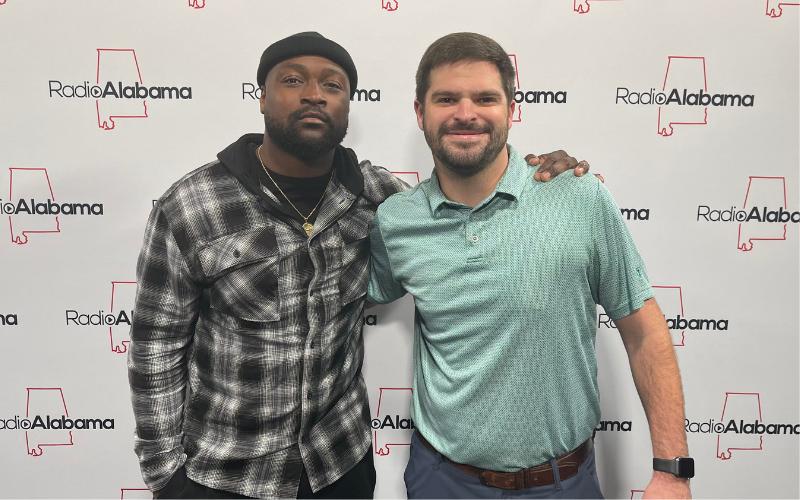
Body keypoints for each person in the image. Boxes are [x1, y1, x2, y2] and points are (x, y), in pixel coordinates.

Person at [127, 32, 588, 499]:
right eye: (293, 80)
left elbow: (465, 204)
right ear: (262, 97)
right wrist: (165, 476)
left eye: (333, 85)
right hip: (225, 474)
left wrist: (541, 180)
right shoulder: (192, 205)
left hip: (339, 465)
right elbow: (155, 343)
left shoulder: (380, 199)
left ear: (348, 106)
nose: (314, 94)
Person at [366, 32, 693, 499]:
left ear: (512, 110)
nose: (465, 113)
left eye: (485, 98)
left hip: (562, 484)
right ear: (420, 112)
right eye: (446, 99)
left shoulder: (578, 195)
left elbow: (643, 331)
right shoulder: (397, 220)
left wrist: (672, 470)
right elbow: (342, 298)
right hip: (441, 481)